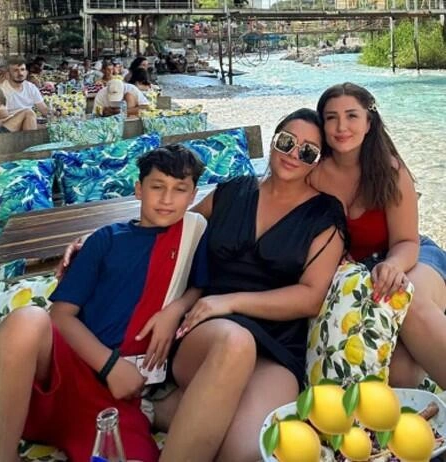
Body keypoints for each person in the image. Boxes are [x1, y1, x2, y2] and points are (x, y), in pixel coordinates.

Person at [57, 109, 347, 461]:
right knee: (234, 341)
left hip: (276, 344)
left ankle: (157, 410)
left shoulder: (324, 214)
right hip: (209, 331)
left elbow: (310, 297)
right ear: (274, 141)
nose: (293, 154)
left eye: (308, 151)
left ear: (318, 160)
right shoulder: (232, 192)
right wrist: (95, 240)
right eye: (287, 142)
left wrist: (230, 301)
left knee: (243, 452)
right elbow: (169, 221)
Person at [0, 145, 210, 462]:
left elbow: (200, 285)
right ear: (138, 189)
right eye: (157, 187)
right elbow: (60, 316)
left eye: (180, 190)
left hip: (115, 403)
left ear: (193, 194)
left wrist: (177, 308)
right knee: (26, 321)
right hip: (67, 371)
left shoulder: (195, 235)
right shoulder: (105, 239)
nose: (167, 199)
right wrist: (111, 366)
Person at [310, 82, 446, 388]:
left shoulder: (390, 171)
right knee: (400, 373)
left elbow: (407, 241)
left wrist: (393, 265)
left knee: (407, 300)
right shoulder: (314, 175)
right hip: (356, 272)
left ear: (369, 123)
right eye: (331, 118)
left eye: (351, 116)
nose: (341, 127)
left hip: (409, 257)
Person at [0, 57, 49, 123]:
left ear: (26, 72)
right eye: (15, 70)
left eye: (22, 70)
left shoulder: (31, 87)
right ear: (7, 74)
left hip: (30, 122)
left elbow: (44, 109)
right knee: (29, 113)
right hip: (12, 125)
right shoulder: (0, 91)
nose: (20, 73)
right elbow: (4, 119)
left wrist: (54, 113)